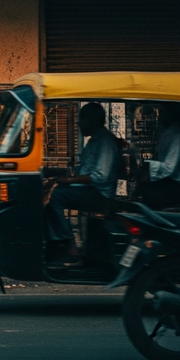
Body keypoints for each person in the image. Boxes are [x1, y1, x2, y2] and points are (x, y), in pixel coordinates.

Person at [44, 102, 120, 268]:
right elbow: (83, 169)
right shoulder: (93, 141)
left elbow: (100, 176)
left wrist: (68, 181)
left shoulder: (105, 142)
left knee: (55, 197)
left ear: (92, 120)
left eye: (81, 119)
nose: (78, 123)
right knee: (49, 193)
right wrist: (59, 174)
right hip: (89, 190)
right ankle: (57, 243)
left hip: (100, 194)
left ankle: (70, 247)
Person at [139, 104, 180, 210]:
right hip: (169, 182)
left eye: (162, 114)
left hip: (178, 186)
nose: (159, 117)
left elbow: (169, 168)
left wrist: (148, 166)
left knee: (146, 193)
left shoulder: (178, 137)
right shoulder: (167, 134)